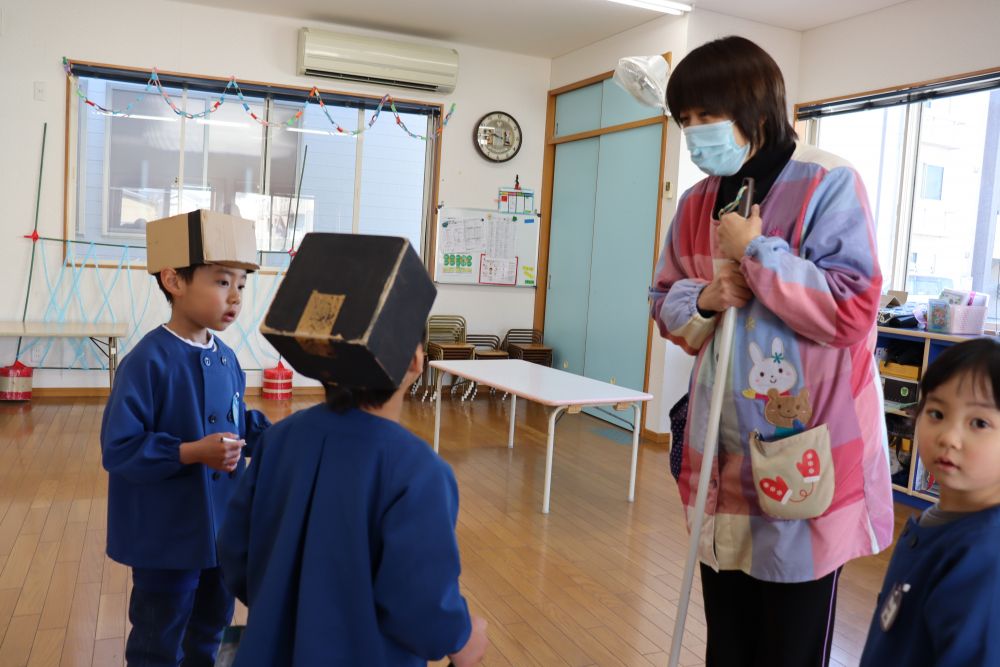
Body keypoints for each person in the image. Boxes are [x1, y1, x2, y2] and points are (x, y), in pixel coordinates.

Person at [649, 36, 892, 666]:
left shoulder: (828, 181)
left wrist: (759, 253)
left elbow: (851, 308)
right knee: (729, 637)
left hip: (804, 444)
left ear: (756, 108)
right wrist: (705, 297)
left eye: (709, 116)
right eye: (687, 121)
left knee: (790, 640)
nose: (697, 134)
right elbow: (663, 298)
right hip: (721, 451)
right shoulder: (698, 199)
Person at [218, 233, 488, 666]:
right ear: (416, 361)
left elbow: (236, 553)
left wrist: (288, 605)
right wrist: (462, 639)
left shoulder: (278, 442)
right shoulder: (418, 471)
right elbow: (421, 604)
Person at [101, 211, 271, 666]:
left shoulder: (229, 358)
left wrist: (285, 438)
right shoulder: (146, 362)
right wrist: (193, 452)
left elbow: (240, 423)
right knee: (159, 635)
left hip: (221, 534)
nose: (235, 297)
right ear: (174, 280)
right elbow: (119, 448)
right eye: (221, 282)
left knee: (210, 630)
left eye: (241, 284)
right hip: (166, 536)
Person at [860, 338, 1000, 666]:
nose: (949, 437)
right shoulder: (939, 521)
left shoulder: (986, 560)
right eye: (936, 413)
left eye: (979, 423)